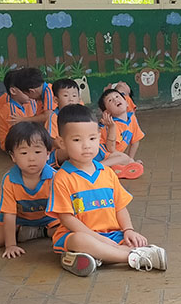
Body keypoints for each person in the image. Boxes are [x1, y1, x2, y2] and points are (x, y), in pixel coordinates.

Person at [48, 104, 167, 276]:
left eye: (92, 138)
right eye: (77, 140)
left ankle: (94, 257)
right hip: (78, 235)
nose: (86, 146)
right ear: (61, 142)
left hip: (112, 234)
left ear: (99, 137)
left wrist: (128, 230)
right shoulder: (62, 178)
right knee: (80, 240)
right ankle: (134, 257)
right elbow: (67, 219)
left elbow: (120, 207)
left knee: (134, 241)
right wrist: (97, 239)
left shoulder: (107, 173)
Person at [0, 121, 58, 259]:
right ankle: (26, 232)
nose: (31, 158)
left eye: (37, 152)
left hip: (47, 220)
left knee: (65, 232)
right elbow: (9, 214)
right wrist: (11, 245)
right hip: (18, 220)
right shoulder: (10, 179)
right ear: (13, 156)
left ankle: (39, 232)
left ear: (48, 154)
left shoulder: (55, 177)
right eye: (24, 153)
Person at [0, 69, 42, 150]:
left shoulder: (29, 100)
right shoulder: (10, 109)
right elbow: (19, 136)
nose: (30, 91)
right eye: (25, 90)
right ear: (13, 91)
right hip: (14, 144)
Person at [97, 87, 145, 178]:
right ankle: (95, 168)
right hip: (99, 152)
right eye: (110, 100)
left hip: (110, 155)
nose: (115, 100)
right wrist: (128, 160)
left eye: (117, 96)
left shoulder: (132, 118)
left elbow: (135, 141)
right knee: (125, 158)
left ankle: (114, 168)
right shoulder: (112, 124)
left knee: (126, 159)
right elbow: (110, 149)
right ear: (107, 112)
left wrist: (130, 160)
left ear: (127, 103)